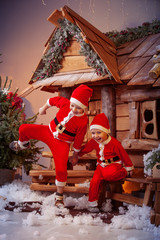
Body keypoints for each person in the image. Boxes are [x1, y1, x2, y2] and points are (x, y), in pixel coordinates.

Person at [9, 84, 93, 208]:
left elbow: (79, 139)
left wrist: (75, 154)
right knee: (24, 128)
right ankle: (23, 144)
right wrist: (44, 108)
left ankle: (59, 197)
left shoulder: (83, 121)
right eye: (73, 105)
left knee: (61, 169)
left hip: (62, 143)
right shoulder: (65, 103)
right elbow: (52, 101)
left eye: (79, 108)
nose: (74, 109)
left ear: (84, 108)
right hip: (48, 132)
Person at [77, 113, 134, 213]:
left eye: (99, 132)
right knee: (94, 182)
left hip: (114, 164)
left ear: (106, 132)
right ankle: (93, 204)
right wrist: (77, 154)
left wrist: (129, 167)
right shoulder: (94, 142)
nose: (96, 136)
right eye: (93, 133)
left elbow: (123, 155)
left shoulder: (114, 143)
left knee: (110, 175)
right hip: (100, 165)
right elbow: (85, 149)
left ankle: (124, 172)